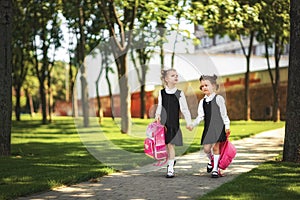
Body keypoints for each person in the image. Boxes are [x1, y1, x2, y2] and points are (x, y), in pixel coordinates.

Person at [187, 74, 230, 178]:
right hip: (208, 128)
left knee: (216, 147)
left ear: (214, 86)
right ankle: (211, 160)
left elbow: (224, 114)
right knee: (206, 149)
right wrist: (192, 124)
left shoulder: (219, 99)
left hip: (218, 127)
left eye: (206, 85)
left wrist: (227, 125)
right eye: (202, 86)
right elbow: (200, 116)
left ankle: (215, 169)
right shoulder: (202, 102)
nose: (204, 87)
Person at [155, 69, 192, 178]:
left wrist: (189, 122)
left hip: (174, 124)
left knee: (171, 145)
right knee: (167, 145)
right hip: (164, 124)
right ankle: (172, 160)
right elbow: (160, 106)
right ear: (166, 79)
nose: (176, 77)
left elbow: (185, 109)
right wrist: (157, 115)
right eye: (172, 75)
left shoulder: (179, 94)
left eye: (176, 75)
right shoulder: (161, 93)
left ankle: (170, 168)